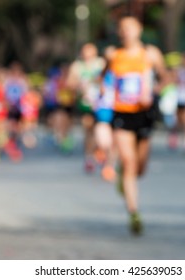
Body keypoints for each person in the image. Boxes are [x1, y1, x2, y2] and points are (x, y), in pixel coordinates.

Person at [106, 16, 167, 235]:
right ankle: (134, 212)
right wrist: (105, 91)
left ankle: (126, 176)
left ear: (139, 30)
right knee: (129, 162)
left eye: (130, 28)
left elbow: (166, 78)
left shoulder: (151, 54)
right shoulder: (114, 55)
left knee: (140, 167)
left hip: (145, 113)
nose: (126, 32)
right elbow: (105, 78)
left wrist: (153, 91)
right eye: (122, 28)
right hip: (122, 112)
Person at [67, 43, 106, 173]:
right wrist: (79, 85)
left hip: (102, 103)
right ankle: (89, 157)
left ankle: (99, 150)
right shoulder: (77, 66)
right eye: (85, 51)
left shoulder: (101, 63)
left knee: (100, 129)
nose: (87, 54)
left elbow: (110, 78)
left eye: (90, 51)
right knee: (88, 129)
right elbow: (69, 83)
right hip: (85, 103)